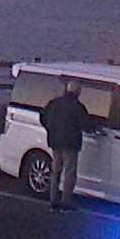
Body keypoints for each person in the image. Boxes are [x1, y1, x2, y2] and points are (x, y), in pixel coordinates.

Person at [40, 80, 96, 211]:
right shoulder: (77, 107)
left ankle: (53, 200)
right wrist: (94, 128)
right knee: (69, 172)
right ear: (77, 92)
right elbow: (86, 124)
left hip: (55, 141)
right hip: (70, 143)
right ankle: (66, 201)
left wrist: (50, 129)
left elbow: (43, 116)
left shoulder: (54, 103)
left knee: (56, 171)